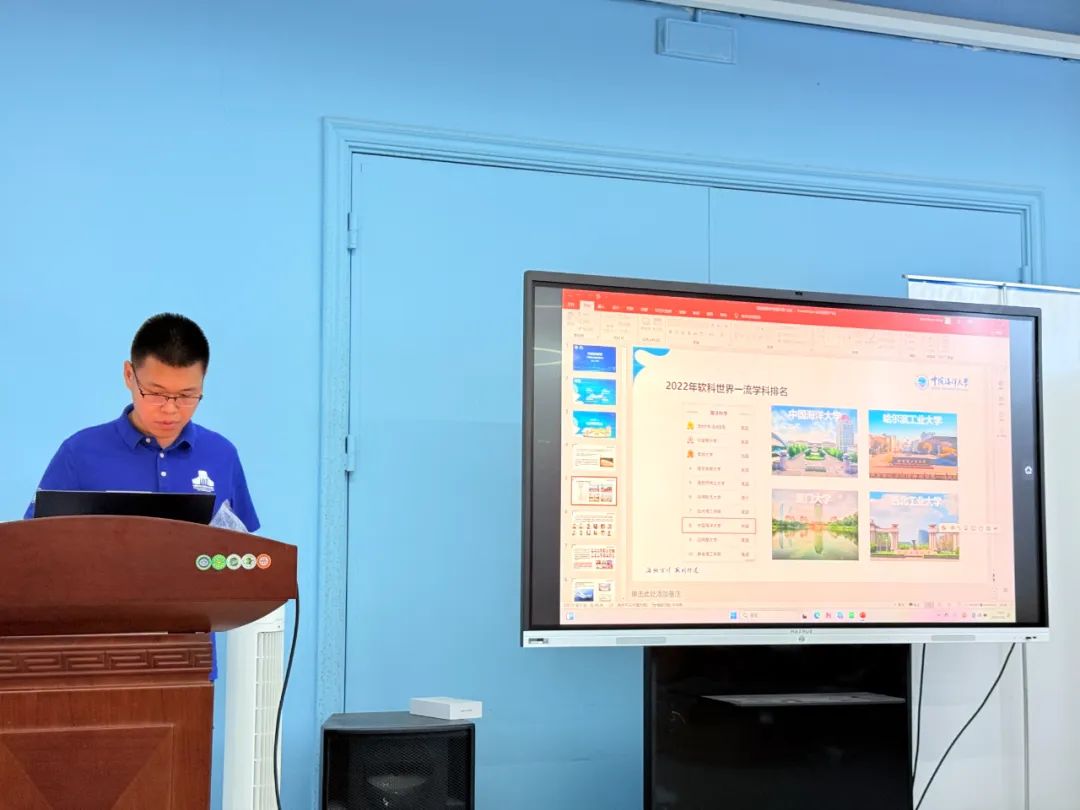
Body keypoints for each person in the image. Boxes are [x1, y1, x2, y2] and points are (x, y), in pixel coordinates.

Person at [24, 312, 260, 677]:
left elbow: (240, 554)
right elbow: (33, 549)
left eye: (187, 396)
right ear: (128, 375)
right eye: (156, 393)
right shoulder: (80, 452)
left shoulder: (221, 455)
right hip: (91, 657)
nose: (170, 409)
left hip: (188, 656)